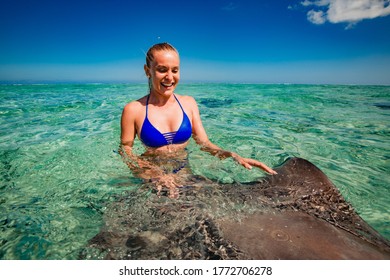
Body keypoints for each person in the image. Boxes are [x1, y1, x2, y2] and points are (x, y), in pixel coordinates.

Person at [120, 42, 276, 198]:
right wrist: (153, 175)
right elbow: (126, 152)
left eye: (175, 70)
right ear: (148, 71)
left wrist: (231, 155)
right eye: (162, 70)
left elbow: (205, 144)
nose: (170, 77)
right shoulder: (134, 109)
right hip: (152, 180)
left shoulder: (188, 103)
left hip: (184, 175)